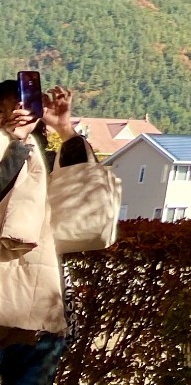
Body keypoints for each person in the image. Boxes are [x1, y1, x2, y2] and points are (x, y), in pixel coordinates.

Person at [0, 83, 100, 385]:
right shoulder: (18, 150)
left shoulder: (46, 158)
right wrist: (12, 143)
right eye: (1, 112)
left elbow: (89, 199)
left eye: (24, 108)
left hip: (41, 311)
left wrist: (65, 128)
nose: (13, 117)